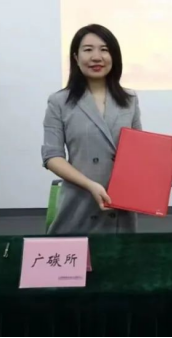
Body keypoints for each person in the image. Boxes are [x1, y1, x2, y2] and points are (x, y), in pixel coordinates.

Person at [42, 24, 141, 234]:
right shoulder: (58, 101)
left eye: (104, 50)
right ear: (76, 58)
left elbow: (138, 150)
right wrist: (89, 185)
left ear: (114, 57)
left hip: (120, 206)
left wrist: (158, 168)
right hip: (78, 203)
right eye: (88, 50)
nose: (97, 57)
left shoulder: (130, 100)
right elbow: (52, 156)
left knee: (119, 254)